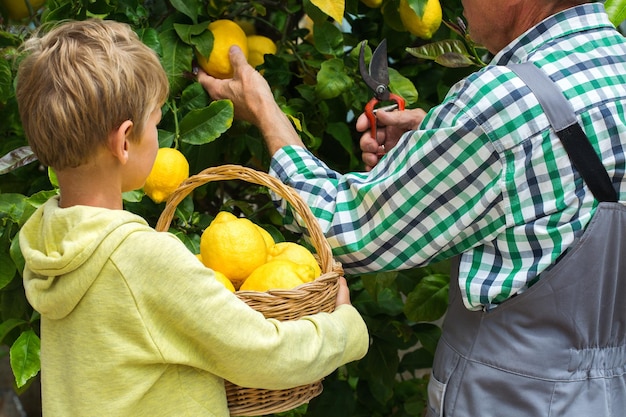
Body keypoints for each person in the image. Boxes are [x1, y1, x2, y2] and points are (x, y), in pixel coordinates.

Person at [197, 0, 626, 415]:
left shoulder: (502, 101)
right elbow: (563, 179)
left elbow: (346, 229)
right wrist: (438, 144)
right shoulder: (615, 64)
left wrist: (266, 113)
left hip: (509, 398)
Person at [16, 19, 369, 417]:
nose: (159, 132)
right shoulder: (144, 260)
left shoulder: (49, 243)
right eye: (156, 122)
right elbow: (261, 351)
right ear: (124, 141)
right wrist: (344, 327)